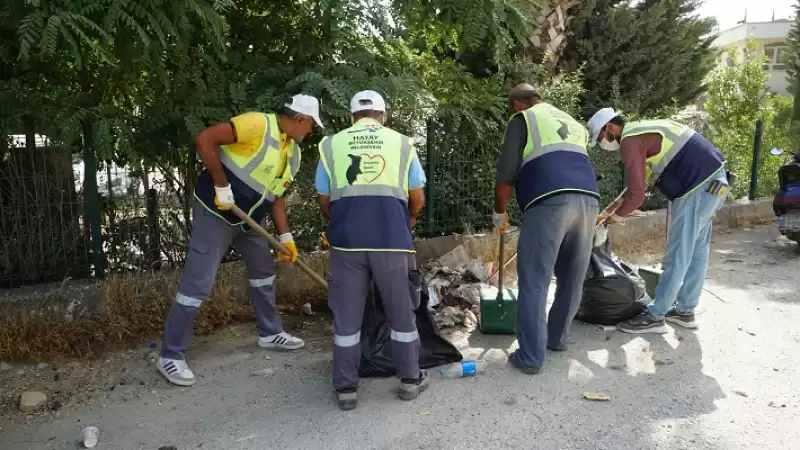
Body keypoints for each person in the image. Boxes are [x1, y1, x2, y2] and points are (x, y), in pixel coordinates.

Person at [158, 94, 324, 386]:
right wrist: (221, 185)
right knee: (198, 283)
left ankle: (270, 333)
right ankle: (170, 355)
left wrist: (286, 238)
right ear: (300, 119)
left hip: (250, 221)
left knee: (263, 272)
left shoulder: (292, 154)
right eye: (311, 125)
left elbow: (276, 199)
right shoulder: (258, 124)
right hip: (216, 211)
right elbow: (205, 139)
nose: (310, 132)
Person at [316, 90, 427, 410]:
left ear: (351, 117)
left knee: (347, 319)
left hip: (347, 244)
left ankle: (346, 388)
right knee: (401, 313)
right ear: (384, 114)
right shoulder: (402, 144)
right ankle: (409, 380)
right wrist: (405, 220)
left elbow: (325, 201)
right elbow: (416, 198)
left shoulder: (332, 145)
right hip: (393, 242)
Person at [587, 107, 728, 334]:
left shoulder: (629, 141)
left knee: (678, 253)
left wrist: (608, 223)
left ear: (611, 127)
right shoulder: (643, 133)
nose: (603, 143)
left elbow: (636, 196)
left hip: (695, 190)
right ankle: (685, 311)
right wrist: (605, 214)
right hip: (714, 185)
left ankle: (655, 316)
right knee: (697, 252)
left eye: (601, 137)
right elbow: (633, 189)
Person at [494, 84, 600, 374]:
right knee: (572, 277)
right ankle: (556, 339)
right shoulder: (572, 122)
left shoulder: (523, 120)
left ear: (517, 104)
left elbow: (506, 173)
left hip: (549, 200)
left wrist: (499, 212)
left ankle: (530, 357)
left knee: (534, 278)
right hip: (589, 201)